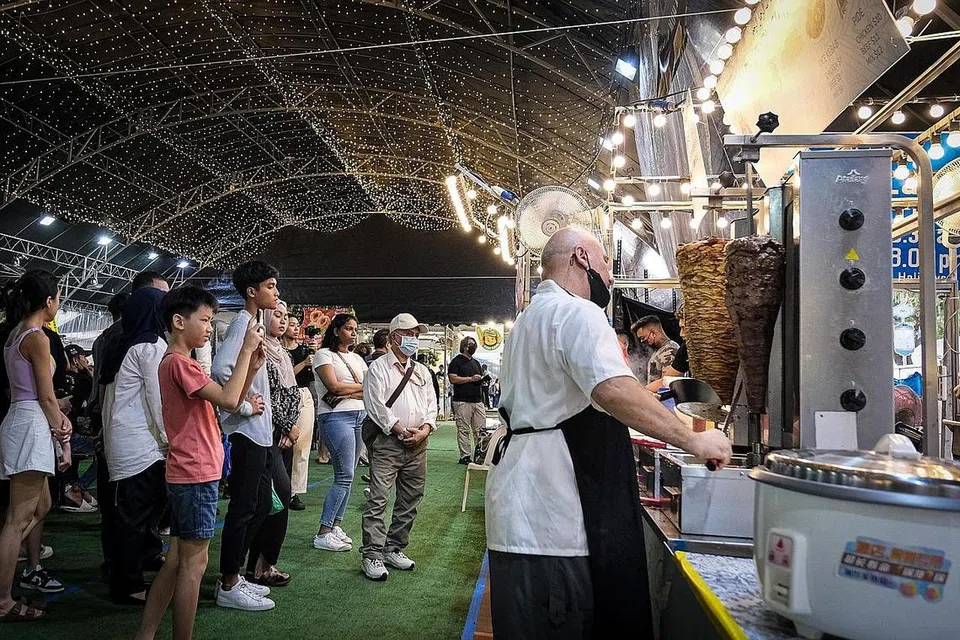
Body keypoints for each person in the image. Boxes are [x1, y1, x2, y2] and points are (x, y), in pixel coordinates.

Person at [485, 227, 732, 638]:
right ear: (581, 257)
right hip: (555, 520)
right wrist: (695, 439)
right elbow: (614, 390)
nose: (612, 277)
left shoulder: (528, 320)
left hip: (518, 510)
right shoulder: (577, 313)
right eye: (605, 264)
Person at [136, 285, 268, 639]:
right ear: (179, 321)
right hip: (195, 471)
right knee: (194, 565)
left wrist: (251, 368)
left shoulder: (178, 363)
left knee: (178, 561)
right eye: (205, 320)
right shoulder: (180, 363)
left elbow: (229, 398)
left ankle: (146, 633)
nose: (210, 327)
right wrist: (245, 350)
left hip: (190, 470)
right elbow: (228, 400)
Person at [0, 270, 72, 621]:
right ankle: (3, 601)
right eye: (58, 298)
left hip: (24, 420)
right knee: (16, 520)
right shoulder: (37, 337)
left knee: (40, 505)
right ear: (49, 302)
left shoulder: (17, 333)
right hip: (30, 423)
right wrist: (62, 427)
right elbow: (46, 395)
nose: (59, 303)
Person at [212, 261, 278, 611]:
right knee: (243, 508)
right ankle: (228, 581)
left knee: (261, 505)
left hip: (259, 434)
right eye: (270, 286)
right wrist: (245, 406)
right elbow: (221, 369)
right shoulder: (242, 324)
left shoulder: (252, 325)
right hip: (246, 432)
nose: (276, 292)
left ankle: (234, 574)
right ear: (252, 291)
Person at [99, 286, 168, 604]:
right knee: (136, 519)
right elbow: (159, 401)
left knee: (127, 516)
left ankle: (125, 576)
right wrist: (170, 441)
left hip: (121, 443)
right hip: (141, 445)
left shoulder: (122, 344)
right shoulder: (151, 346)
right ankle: (129, 585)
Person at [359, 313, 437, 581]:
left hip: (418, 444)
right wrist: (400, 429)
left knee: (410, 498)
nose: (414, 339)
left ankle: (394, 547)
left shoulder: (423, 371)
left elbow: (431, 405)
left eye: (416, 334)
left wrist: (425, 430)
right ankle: (372, 554)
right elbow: (375, 406)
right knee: (378, 497)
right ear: (393, 337)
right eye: (409, 334)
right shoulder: (378, 369)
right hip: (388, 443)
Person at [246, 301, 299, 587]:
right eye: (276, 315)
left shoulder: (282, 354)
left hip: (283, 433)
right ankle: (250, 568)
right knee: (269, 499)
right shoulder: (258, 348)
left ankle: (263, 564)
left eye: (284, 316)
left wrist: (292, 428)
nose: (282, 320)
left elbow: (292, 394)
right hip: (265, 432)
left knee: (278, 499)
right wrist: (287, 426)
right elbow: (269, 396)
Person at [312, 313, 367, 552]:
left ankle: (335, 525)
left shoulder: (357, 358)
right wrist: (358, 389)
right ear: (336, 331)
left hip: (359, 416)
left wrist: (349, 391)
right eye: (348, 328)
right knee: (344, 476)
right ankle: (324, 531)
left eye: (355, 329)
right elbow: (332, 386)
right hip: (335, 417)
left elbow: (370, 390)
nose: (353, 333)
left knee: (349, 476)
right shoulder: (324, 355)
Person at [281, 314, 314, 511]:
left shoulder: (304, 350)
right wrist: (303, 364)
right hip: (285, 395)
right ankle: (281, 487)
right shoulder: (278, 350)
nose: (294, 328)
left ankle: (294, 492)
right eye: (290, 324)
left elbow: (310, 378)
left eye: (296, 325)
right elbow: (285, 377)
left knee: (302, 446)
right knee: (283, 445)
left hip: (304, 394)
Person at [447, 336, 485, 465]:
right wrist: (470, 379)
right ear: (464, 346)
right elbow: (452, 379)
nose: (473, 346)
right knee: (463, 429)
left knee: (480, 430)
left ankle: (480, 454)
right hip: (462, 400)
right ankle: (465, 456)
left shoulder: (476, 363)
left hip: (478, 400)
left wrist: (480, 379)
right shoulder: (456, 362)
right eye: (470, 344)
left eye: (474, 344)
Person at [632, 315, 680, 386]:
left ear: (653, 333)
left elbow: (667, 384)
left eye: (643, 337)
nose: (642, 341)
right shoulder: (658, 351)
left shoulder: (669, 351)